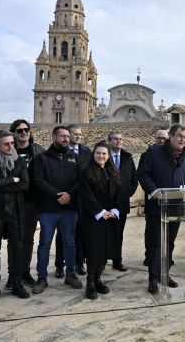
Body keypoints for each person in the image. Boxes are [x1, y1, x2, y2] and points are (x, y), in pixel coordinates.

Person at [138, 124, 185, 293]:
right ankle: (153, 279)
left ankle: (165, 274)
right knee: (156, 243)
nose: (182, 140)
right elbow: (143, 174)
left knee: (169, 243)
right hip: (157, 207)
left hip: (177, 207)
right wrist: (153, 190)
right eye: (179, 136)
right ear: (170, 136)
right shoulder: (153, 153)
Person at [31, 126, 83, 295]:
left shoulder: (74, 157)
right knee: (45, 244)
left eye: (68, 136)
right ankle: (42, 277)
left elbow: (80, 180)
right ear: (54, 137)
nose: (66, 139)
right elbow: (38, 181)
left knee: (70, 242)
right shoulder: (41, 158)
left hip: (69, 209)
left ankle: (70, 274)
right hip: (48, 209)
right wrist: (57, 195)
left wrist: (69, 194)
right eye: (62, 136)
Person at [0, 130, 31, 302]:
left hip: (15, 212)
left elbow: (24, 184)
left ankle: (17, 283)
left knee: (17, 248)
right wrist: (11, 180)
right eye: (7, 143)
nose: (11, 146)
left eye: (12, 143)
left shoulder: (20, 161)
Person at [79, 141, 124, 299]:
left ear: (108, 155)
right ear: (94, 154)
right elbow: (86, 195)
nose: (101, 156)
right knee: (94, 252)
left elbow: (120, 192)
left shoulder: (113, 171)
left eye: (104, 153)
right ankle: (90, 283)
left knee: (105, 251)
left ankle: (98, 279)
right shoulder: (86, 171)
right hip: (94, 218)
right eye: (98, 153)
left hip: (110, 217)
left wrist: (115, 210)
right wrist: (100, 211)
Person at [8, 119, 45, 288]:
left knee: (28, 239)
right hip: (13, 201)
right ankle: (12, 274)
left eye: (26, 129)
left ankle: (25, 272)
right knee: (14, 239)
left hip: (32, 201)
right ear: (14, 133)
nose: (24, 133)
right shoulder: (8, 150)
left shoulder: (38, 150)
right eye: (19, 130)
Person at [54, 124, 91, 277]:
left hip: (82, 199)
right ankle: (59, 264)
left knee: (80, 232)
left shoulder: (87, 152)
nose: (78, 136)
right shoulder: (60, 153)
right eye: (74, 134)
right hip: (65, 199)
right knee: (62, 235)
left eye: (80, 134)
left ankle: (79, 262)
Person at [108, 130, 138, 272]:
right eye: (115, 139)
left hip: (122, 203)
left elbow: (134, 179)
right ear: (109, 141)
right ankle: (101, 261)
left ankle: (117, 260)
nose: (118, 141)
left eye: (120, 139)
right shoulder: (103, 155)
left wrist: (128, 193)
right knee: (105, 233)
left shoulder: (127, 158)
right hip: (106, 203)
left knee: (119, 234)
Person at [141, 129, 169, 266]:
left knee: (166, 231)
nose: (161, 140)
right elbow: (142, 175)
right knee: (151, 231)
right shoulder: (147, 154)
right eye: (159, 138)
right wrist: (152, 190)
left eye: (164, 138)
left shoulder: (171, 155)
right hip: (152, 200)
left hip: (168, 201)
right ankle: (149, 256)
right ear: (155, 139)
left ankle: (166, 256)